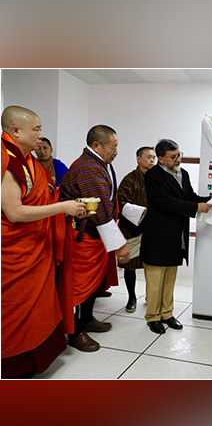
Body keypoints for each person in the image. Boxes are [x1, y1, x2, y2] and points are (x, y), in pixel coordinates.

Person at [2, 106, 86, 377]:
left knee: (39, 304)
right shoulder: (7, 159)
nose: (41, 135)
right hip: (14, 251)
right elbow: (14, 212)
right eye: (36, 129)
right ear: (15, 131)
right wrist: (62, 209)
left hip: (34, 245)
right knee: (16, 308)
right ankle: (14, 365)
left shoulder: (27, 159)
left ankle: (36, 358)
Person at [60, 125, 131, 352]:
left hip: (95, 236)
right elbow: (99, 211)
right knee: (78, 286)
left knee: (93, 284)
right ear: (96, 146)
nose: (116, 151)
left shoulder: (100, 164)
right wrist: (120, 246)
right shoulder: (88, 167)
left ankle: (88, 318)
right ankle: (74, 331)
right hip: (82, 237)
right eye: (114, 146)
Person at [140, 139, 212, 333]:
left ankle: (167, 313)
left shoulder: (183, 173)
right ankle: (153, 317)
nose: (178, 159)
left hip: (175, 236)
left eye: (179, 154)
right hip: (158, 235)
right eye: (173, 156)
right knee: (155, 281)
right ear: (161, 159)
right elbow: (166, 202)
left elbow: (189, 197)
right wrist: (196, 207)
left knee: (170, 279)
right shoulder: (153, 176)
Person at [116, 146, 155, 312]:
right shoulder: (129, 179)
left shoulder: (157, 179)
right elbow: (122, 203)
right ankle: (131, 297)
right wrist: (143, 211)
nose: (152, 160)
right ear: (138, 159)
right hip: (131, 227)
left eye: (154, 157)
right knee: (130, 265)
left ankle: (150, 295)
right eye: (148, 157)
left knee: (152, 264)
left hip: (152, 228)